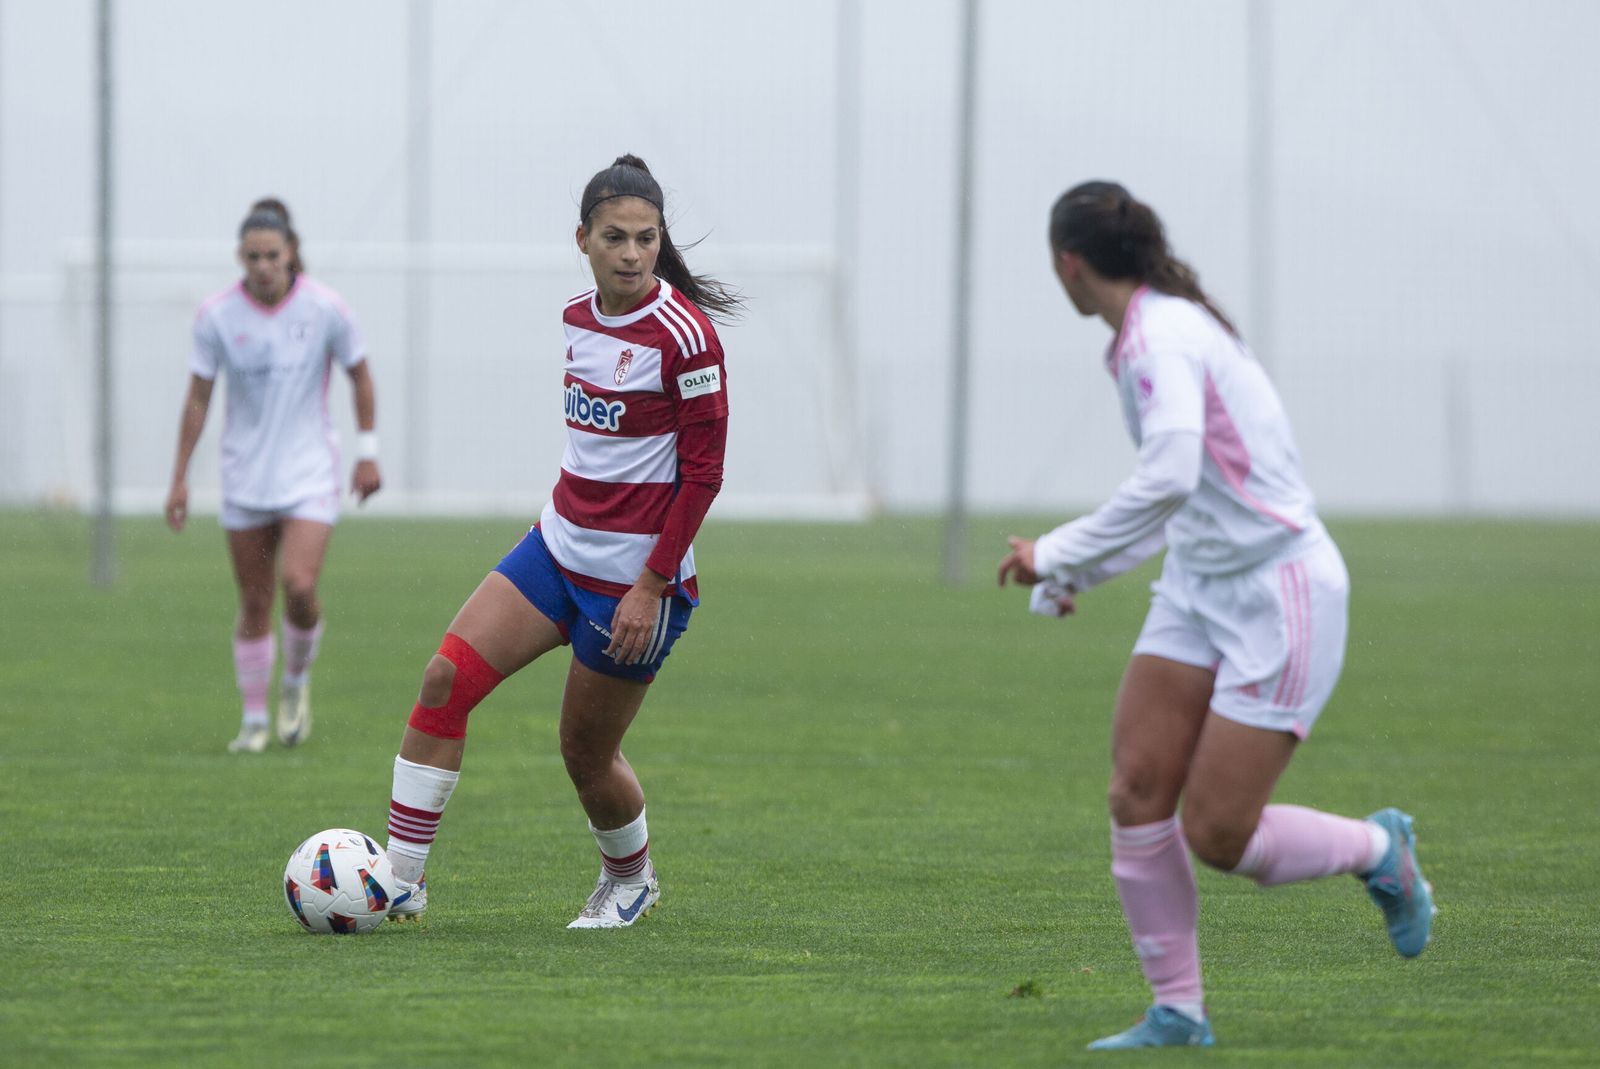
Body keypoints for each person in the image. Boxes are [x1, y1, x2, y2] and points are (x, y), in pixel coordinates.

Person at [996, 180, 1435, 1050]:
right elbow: (1183, 503)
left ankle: (1378, 851)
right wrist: (1080, 564)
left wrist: (1056, 551)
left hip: (1282, 594)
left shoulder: (1163, 335)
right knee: (1136, 790)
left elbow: (1166, 477)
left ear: (1067, 264)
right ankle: (1178, 1013)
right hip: (1199, 588)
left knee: (1219, 832)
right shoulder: (1146, 334)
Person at [380, 154, 738, 930]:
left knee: (584, 753)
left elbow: (703, 476)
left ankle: (631, 879)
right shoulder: (577, 316)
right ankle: (399, 882)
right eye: (616, 237)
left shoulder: (687, 337)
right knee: (444, 678)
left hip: (632, 585)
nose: (633, 253)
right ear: (583, 239)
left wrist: (651, 584)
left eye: (647, 238)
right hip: (554, 551)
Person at [165, 198, 381, 754]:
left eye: (272, 255)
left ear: (291, 255)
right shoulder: (217, 316)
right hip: (244, 477)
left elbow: (359, 375)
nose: (263, 266)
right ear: (241, 257)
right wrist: (180, 477)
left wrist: (368, 451)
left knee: (300, 587)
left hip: (310, 472)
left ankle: (295, 683)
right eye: (253, 256)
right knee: (256, 600)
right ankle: (255, 720)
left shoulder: (325, 308)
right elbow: (198, 397)